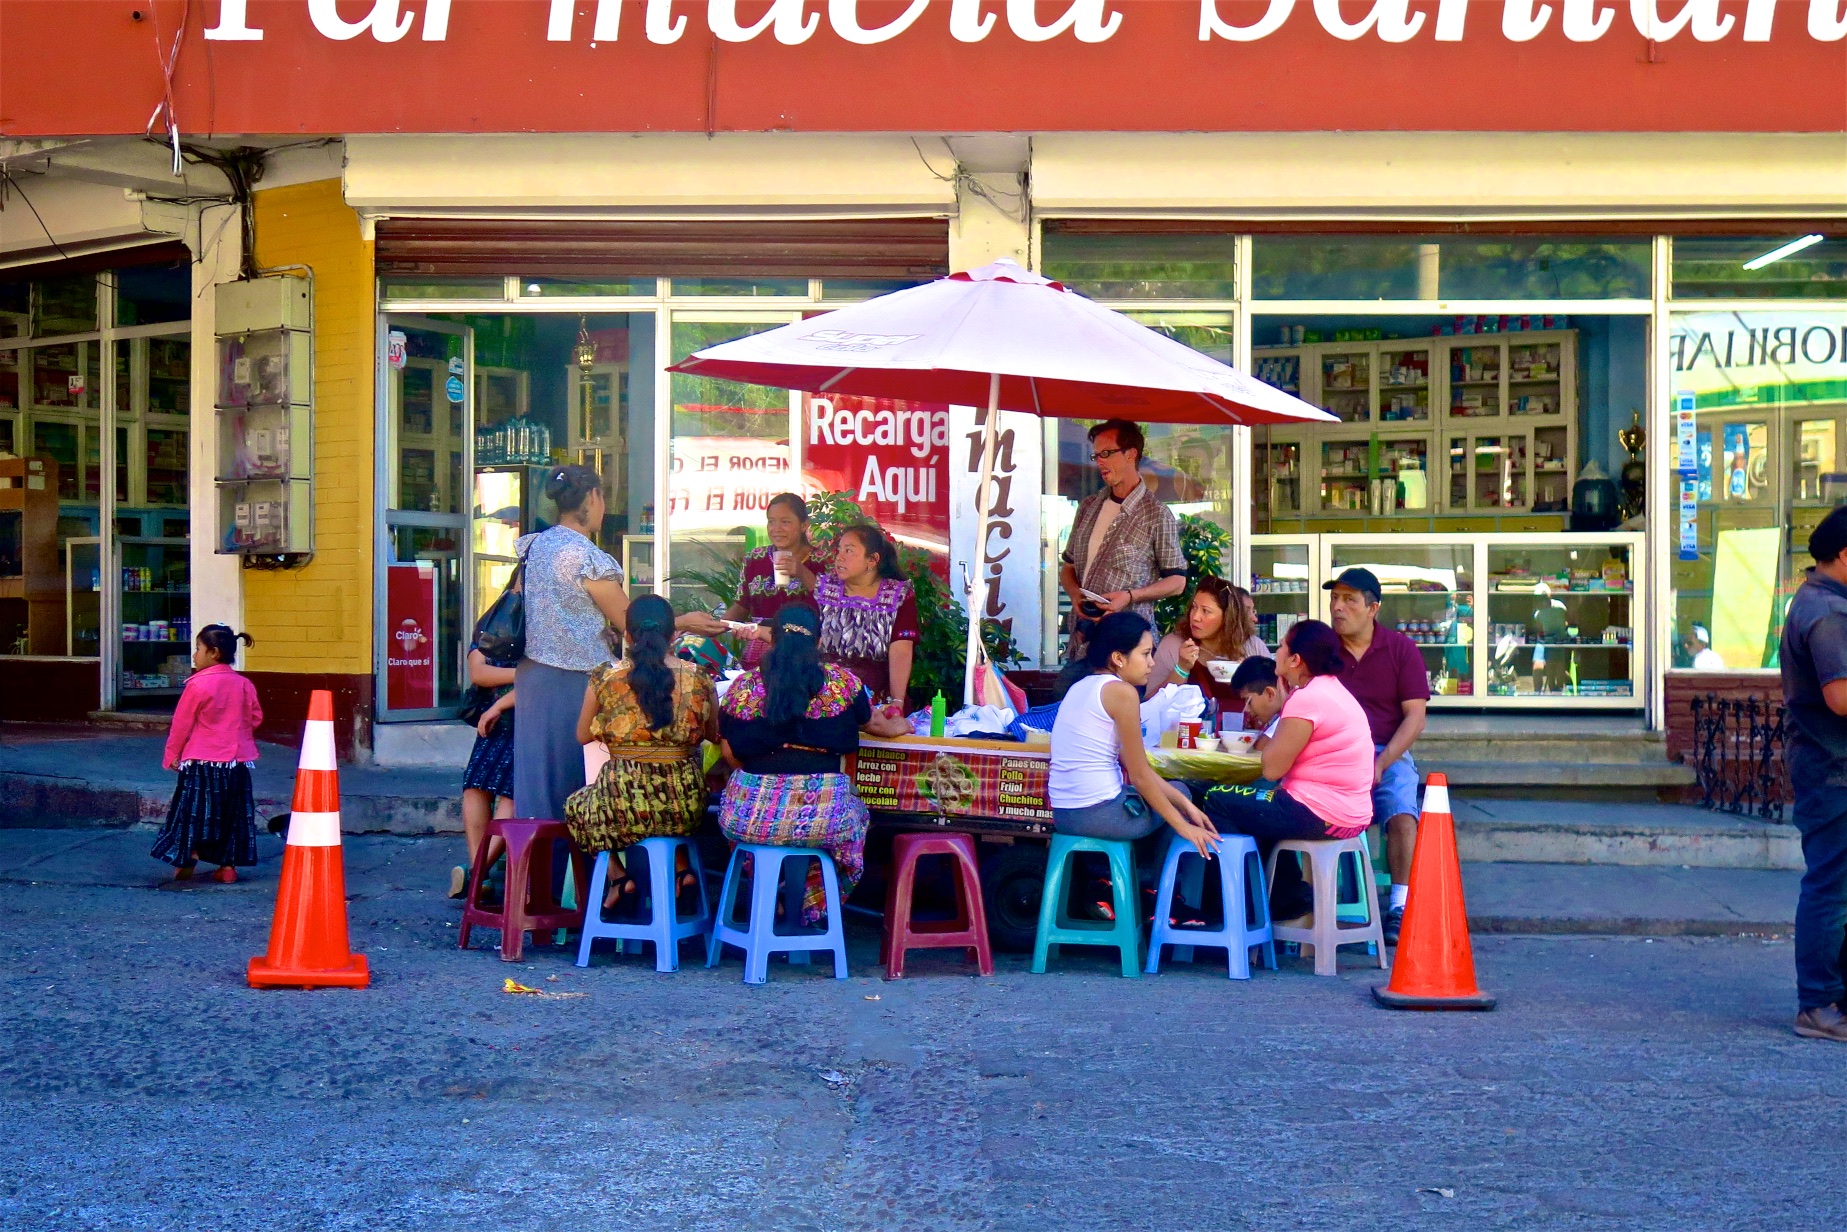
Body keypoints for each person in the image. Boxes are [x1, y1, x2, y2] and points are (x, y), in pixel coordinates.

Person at [511, 463, 722, 822]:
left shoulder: (534, 546)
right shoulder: (586, 557)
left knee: (537, 784)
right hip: (573, 679)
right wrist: (685, 621)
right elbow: (631, 622)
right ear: (593, 497)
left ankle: (533, 856)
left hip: (531, 677)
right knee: (574, 778)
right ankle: (575, 857)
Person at [718, 603, 910, 923]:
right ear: (819, 642)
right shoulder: (842, 683)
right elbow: (878, 725)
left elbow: (729, 753)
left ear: (772, 639)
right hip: (824, 818)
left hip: (749, 818)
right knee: (857, 817)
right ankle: (809, 902)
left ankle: (768, 894)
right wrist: (899, 724)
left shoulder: (742, 687)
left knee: (743, 826)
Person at [1191, 620, 1376, 923]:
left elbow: (1272, 768)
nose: (1275, 653)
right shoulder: (1330, 689)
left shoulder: (1306, 698)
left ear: (1295, 660)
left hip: (1319, 812)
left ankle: (1234, 914)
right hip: (1347, 814)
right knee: (1256, 806)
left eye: (1281, 648)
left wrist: (1286, 702)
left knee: (1216, 799)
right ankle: (1286, 898)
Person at [565, 595, 718, 913]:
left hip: (621, 805)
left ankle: (618, 878)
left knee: (577, 806)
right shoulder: (700, 678)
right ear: (673, 636)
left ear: (627, 635)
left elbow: (582, 735)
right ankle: (681, 870)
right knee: (666, 817)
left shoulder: (606, 677)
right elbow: (713, 734)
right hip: (684, 805)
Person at [1049, 610, 1221, 887]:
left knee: (1179, 795)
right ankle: (1160, 887)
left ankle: (1123, 881)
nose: (1152, 663)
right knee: (1182, 791)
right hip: (1100, 814)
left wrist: (1186, 807)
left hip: (1065, 815)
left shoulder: (1080, 687)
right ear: (1118, 658)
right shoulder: (1121, 693)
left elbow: (1137, 769)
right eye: (1145, 654)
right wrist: (1184, 825)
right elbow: (1140, 775)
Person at [1324, 566, 1430, 944]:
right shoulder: (1323, 650)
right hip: (1332, 753)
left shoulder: (1400, 649)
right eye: (1334, 598)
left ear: (1373, 608)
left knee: (1402, 809)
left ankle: (1399, 905)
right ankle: (1310, 901)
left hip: (1387, 751)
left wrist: (1381, 763)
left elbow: (1415, 717)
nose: (1338, 607)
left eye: (1349, 600)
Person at [1778, 505, 1847, 1043]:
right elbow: (1840, 697)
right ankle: (1817, 1004)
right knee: (1831, 886)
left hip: (1829, 766)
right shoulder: (1826, 612)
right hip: (1833, 770)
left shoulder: (1819, 601)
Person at [1058, 419, 1188, 663]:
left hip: (1129, 648)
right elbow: (1068, 568)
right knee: (1067, 686)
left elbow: (1177, 582)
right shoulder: (1088, 507)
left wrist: (1130, 596)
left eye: (1106, 453)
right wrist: (1075, 596)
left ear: (1131, 454)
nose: (1099, 462)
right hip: (1085, 640)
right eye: (1096, 455)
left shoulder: (1156, 514)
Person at [151, 625, 262, 883]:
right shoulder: (244, 684)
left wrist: (172, 754)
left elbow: (181, 724)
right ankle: (227, 866)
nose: (194, 655)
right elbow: (255, 718)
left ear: (213, 652)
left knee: (195, 811)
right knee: (231, 813)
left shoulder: (197, 685)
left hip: (201, 762)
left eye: (198, 649)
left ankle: (189, 855)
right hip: (236, 763)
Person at [815, 522, 918, 713]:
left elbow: (901, 650)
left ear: (872, 560)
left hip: (873, 696)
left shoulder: (897, 595)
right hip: (824, 690)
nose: (840, 557)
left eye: (849, 551)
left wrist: (897, 702)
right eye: (839, 550)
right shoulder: (824, 589)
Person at [727, 493, 831, 667]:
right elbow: (742, 605)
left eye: (785, 522)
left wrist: (802, 572)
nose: (776, 529)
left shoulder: (823, 561)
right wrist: (715, 626)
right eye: (771, 521)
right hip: (759, 654)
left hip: (804, 654)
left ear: (804, 525)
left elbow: (832, 605)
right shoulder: (755, 558)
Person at [451, 647, 516, 898]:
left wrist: (502, 697)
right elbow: (478, 674)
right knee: (474, 786)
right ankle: (482, 878)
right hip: (494, 724)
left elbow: (542, 684)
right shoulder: (488, 631)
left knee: (513, 794)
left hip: (531, 723)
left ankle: (476, 874)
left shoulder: (541, 632)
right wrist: (523, 674)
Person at [1147, 578, 1272, 708]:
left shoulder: (1252, 646)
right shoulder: (1174, 645)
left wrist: (1246, 677)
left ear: (1227, 617)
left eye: (1206, 611)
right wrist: (1181, 669)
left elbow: (1273, 700)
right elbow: (1150, 705)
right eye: (1194, 607)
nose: (1195, 617)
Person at [1230, 655, 1287, 751]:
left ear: (1270, 694)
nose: (1246, 709)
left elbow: (1262, 747)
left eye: (1248, 701)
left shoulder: (1292, 716)